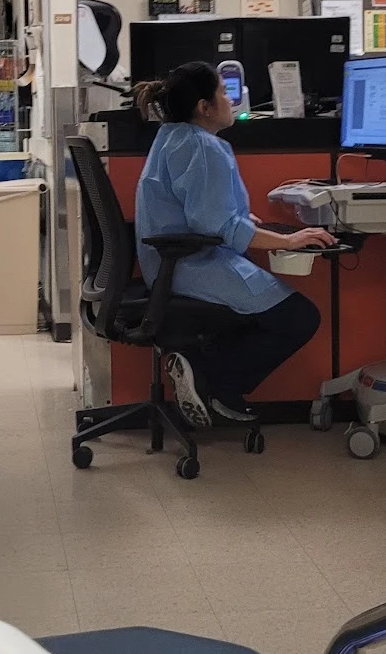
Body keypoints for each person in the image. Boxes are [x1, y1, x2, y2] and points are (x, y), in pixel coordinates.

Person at [133, 61, 334, 427]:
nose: (231, 100)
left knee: (263, 314)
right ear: (204, 107)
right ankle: (216, 382)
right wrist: (289, 239)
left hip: (168, 263)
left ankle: (201, 367)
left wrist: (240, 217)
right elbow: (217, 224)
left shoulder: (171, 135)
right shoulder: (203, 147)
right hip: (190, 264)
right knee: (299, 317)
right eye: (224, 93)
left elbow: (197, 206)